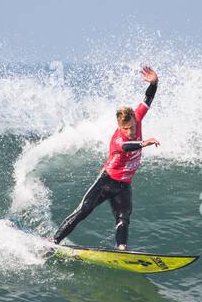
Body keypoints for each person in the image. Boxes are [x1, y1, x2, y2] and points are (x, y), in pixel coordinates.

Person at [52, 67, 160, 250]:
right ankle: (53, 241)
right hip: (107, 181)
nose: (130, 131)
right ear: (120, 126)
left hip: (124, 185)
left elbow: (148, 99)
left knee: (123, 218)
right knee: (83, 211)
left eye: (132, 127)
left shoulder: (137, 118)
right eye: (125, 128)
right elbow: (127, 147)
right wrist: (143, 143)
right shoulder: (118, 139)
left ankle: (121, 249)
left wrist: (154, 83)